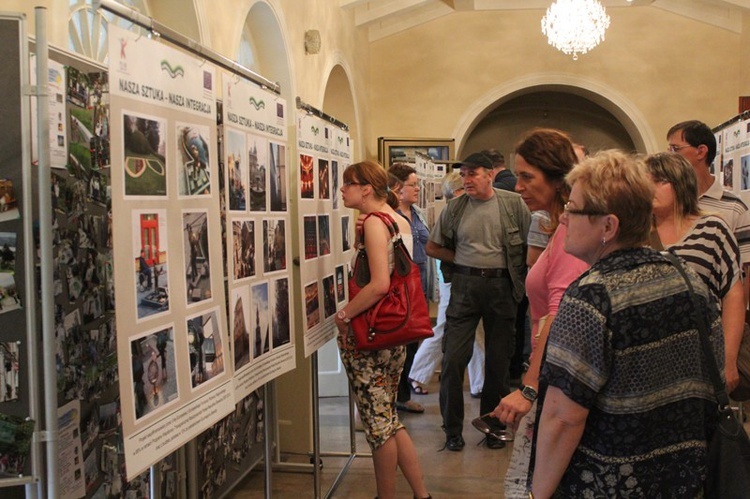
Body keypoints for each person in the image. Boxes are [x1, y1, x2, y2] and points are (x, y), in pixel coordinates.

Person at [529, 150, 723, 497]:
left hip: (608, 484)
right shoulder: (690, 281)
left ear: (608, 226)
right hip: (685, 479)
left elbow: (563, 418)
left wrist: (536, 493)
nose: (563, 220)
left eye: (573, 209)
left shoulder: (591, 297)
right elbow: (714, 375)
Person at [490, 129, 588, 497]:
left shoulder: (568, 234)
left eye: (528, 176)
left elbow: (558, 315)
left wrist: (528, 388)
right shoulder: (560, 227)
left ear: (558, 178)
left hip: (555, 378)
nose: (518, 186)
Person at [334, 160, 430, 499]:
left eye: (348, 183)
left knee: (378, 428)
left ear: (366, 189)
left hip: (371, 332)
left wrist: (344, 315)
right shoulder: (397, 218)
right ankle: (421, 494)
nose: (342, 189)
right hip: (394, 332)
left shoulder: (375, 222)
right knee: (388, 419)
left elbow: (378, 285)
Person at [426, 151, 530, 451]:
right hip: (465, 286)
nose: (467, 179)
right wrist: (461, 259)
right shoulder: (455, 208)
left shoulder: (513, 205)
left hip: (502, 287)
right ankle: (452, 430)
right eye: (464, 174)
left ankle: (493, 427)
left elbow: (528, 245)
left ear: (489, 175)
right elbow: (433, 246)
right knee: (454, 360)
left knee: (498, 363)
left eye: (473, 173)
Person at [646, 151, 743, 392]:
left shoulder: (712, 228)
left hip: (703, 354)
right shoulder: (635, 232)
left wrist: (729, 360)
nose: (650, 188)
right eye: (645, 181)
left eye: (660, 181)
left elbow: (733, 295)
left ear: (681, 183)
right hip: (649, 355)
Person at [409, 172, 486, 399]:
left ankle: (479, 383)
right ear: (456, 192)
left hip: (466, 279)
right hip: (454, 279)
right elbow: (436, 248)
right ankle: (417, 373)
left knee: (475, 329)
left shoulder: (465, 212)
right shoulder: (452, 213)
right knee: (444, 327)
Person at [667, 120, 750, 302]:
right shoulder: (666, 203)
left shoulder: (734, 208)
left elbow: (746, 271)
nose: (669, 156)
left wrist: (737, 320)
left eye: (675, 149)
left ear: (701, 151)